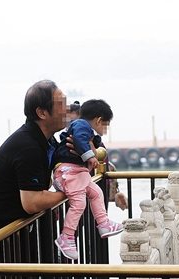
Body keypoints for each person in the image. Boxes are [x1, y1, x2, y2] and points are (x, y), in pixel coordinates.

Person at [0, 80, 68, 244]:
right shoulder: (27, 147)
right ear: (42, 113)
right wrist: (71, 193)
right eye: (61, 103)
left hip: (13, 232)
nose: (66, 109)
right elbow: (32, 202)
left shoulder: (46, 141)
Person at [52, 99, 123, 260]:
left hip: (77, 173)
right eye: (105, 125)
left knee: (96, 192)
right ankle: (66, 236)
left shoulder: (87, 130)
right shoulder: (81, 125)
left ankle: (103, 223)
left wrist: (94, 147)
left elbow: (97, 146)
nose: (105, 130)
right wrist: (90, 156)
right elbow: (79, 140)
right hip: (68, 172)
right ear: (98, 120)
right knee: (79, 202)